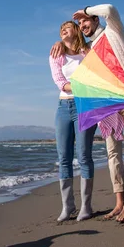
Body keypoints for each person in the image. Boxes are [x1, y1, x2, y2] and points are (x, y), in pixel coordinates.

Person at [50, 4, 124, 223]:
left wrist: (86, 9)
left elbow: (110, 9)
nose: (82, 25)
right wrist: (60, 42)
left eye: (85, 21)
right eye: (80, 23)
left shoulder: (113, 30)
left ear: (95, 20)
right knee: (112, 151)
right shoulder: (90, 48)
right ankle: (118, 202)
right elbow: (70, 66)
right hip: (105, 100)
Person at [49, 20, 97, 222]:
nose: (62, 31)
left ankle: (86, 206)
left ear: (76, 30)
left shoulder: (88, 52)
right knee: (64, 158)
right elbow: (60, 82)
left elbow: (96, 75)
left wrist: (82, 88)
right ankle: (67, 207)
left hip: (85, 106)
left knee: (84, 155)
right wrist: (79, 86)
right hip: (63, 107)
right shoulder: (56, 53)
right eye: (60, 29)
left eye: (66, 27)